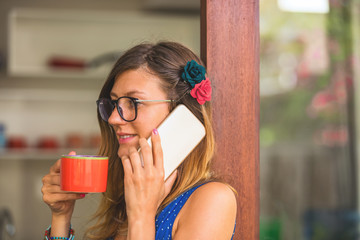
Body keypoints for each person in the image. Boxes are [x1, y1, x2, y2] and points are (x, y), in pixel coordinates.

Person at [41, 41, 237, 240]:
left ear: (181, 112)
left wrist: (141, 217)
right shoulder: (128, 198)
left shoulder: (213, 200)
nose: (113, 119)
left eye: (134, 102)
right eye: (115, 102)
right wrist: (61, 218)